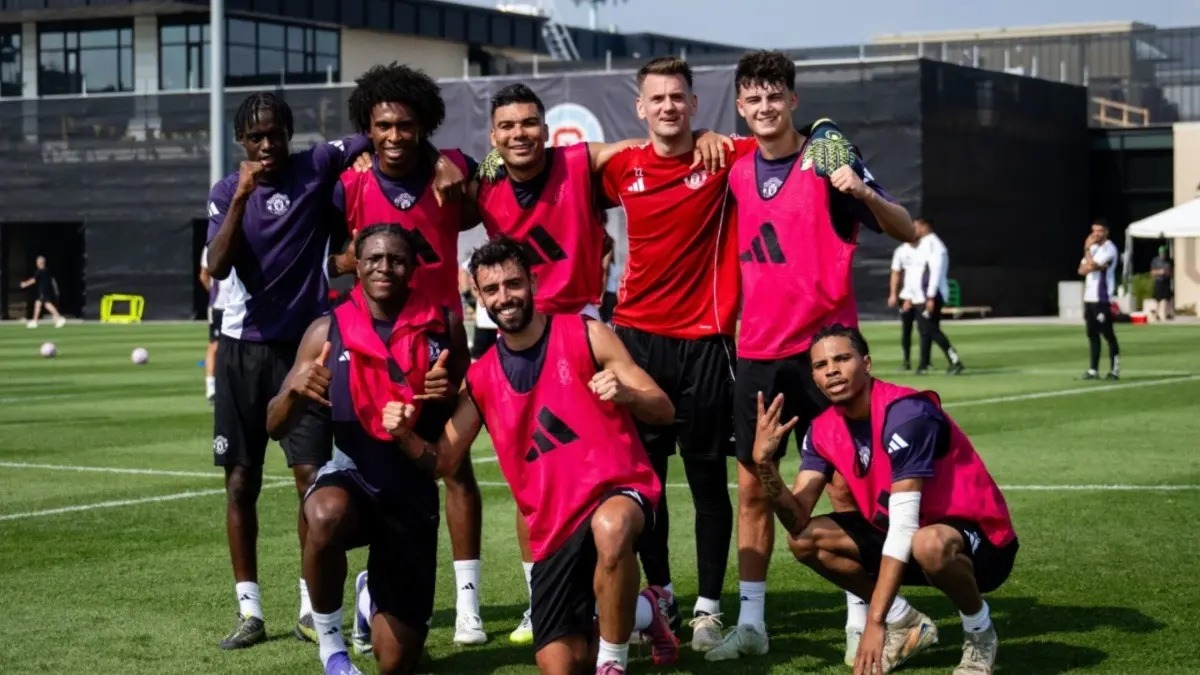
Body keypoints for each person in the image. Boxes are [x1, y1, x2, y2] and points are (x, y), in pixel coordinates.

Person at [353, 81, 728, 644]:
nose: (518, 134)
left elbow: (649, 147)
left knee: (621, 471)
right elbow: (418, 191)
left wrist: (703, 136)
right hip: (510, 337)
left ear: (547, 128)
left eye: (528, 123)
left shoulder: (579, 162)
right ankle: (547, 600)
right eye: (506, 127)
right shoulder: (483, 183)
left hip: (577, 335)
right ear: (493, 136)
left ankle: (667, 598)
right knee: (529, 470)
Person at [384, 237, 681, 674]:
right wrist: (404, 434)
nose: (504, 297)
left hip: (618, 493)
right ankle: (642, 611)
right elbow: (442, 462)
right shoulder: (481, 377)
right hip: (553, 531)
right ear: (479, 297)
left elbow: (665, 409)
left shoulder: (587, 333)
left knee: (610, 527)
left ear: (533, 282)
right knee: (560, 664)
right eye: (492, 290)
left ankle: (613, 663)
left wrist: (628, 394)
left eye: (513, 284)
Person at [708, 50, 917, 663]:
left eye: (775, 96)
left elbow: (905, 227)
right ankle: (751, 623)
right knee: (754, 485)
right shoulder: (737, 165)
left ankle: (861, 616)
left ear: (793, 101)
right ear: (741, 106)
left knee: (846, 486)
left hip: (826, 352)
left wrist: (861, 191)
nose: (764, 107)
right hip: (758, 353)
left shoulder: (829, 158)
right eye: (752, 98)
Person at [204, 91, 380, 649]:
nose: (266, 145)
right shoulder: (227, 192)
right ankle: (250, 611)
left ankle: (312, 603)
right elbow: (216, 264)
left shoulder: (317, 163)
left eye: (275, 134)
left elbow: (379, 132)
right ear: (241, 142)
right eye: (255, 137)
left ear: (289, 133)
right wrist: (240, 200)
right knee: (240, 482)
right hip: (242, 349)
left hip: (305, 349)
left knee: (311, 478)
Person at [750, 324, 1017, 675]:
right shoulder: (822, 429)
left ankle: (980, 632)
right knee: (805, 541)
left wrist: (873, 622)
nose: (831, 369)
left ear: (867, 364)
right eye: (820, 365)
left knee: (928, 542)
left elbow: (906, 524)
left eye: (842, 358)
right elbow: (797, 518)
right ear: (814, 377)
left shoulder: (907, 413)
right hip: (906, 539)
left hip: (980, 544)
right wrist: (764, 464)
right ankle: (904, 621)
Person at [328, 62, 487, 649]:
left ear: (424, 127)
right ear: (369, 128)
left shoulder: (450, 173)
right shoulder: (350, 182)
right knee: (375, 467)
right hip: (373, 346)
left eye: (406, 125)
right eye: (384, 126)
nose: (395, 136)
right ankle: (363, 595)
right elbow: (326, 261)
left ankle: (467, 603)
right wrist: (351, 262)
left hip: (442, 340)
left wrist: (459, 162)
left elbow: (491, 164)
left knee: (457, 468)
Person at [266, 224, 470, 675]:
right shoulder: (326, 329)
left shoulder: (445, 325)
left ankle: (368, 597)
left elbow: (467, 405)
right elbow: (274, 425)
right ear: (356, 265)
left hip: (412, 489)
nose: (384, 267)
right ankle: (332, 649)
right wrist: (293, 392)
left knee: (396, 663)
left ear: (412, 267)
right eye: (374, 258)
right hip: (354, 476)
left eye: (396, 259)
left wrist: (448, 391)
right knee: (323, 513)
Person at [600, 55, 751, 651]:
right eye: (656, 98)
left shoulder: (723, 156)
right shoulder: (622, 166)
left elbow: (793, 135)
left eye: (678, 97)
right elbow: (540, 164)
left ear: (693, 105)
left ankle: (710, 607)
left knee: (708, 479)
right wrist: (482, 159)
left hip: (706, 344)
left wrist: (827, 140)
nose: (667, 106)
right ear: (641, 108)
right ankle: (659, 593)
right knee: (647, 484)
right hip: (636, 342)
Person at [913, 218, 964, 375]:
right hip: (923, 295)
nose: (914, 229)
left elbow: (934, 273)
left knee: (932, 329)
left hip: (932, 294)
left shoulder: (935, 246)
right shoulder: (923, 245)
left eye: (917, 227)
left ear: (925, 227)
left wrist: (930, 296)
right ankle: (924, 363)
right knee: (924, 330)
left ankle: (955, 360)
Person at [1078, 219, 1120, 380]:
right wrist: (1090, 261)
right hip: (1089, 297)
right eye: (1094, 230)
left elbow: (1093, 265)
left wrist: (1088, 250)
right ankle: (1093, 370)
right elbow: (1082, 270)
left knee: (1107, 333)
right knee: (1091, 333)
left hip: (1101, 297)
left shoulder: (1109, 248)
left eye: (1100, 230)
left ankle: (1114, 370)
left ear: (1106, 232)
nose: (1096, 234)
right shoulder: (1094, 248)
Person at [200, 246, 235, 402]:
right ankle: (211, 387)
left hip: (239, 305)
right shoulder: (211, 245)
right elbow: (204, 275)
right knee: (215, 345)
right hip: (219, 306)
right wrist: (214, 295)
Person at [888, 240, 923, 371]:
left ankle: (925, 362)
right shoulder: (901, 251)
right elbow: (896, 273)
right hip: (906, 296)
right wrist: (893, 294)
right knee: (906, 331)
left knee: (925, 331)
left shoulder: (926, 249)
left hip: (922, 297)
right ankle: (906, 361)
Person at [20, 256, 66, 328]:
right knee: (38, 304)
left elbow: (34, 280)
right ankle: (35, 321)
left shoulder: (40, 271)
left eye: (37, 262)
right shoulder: (46, 271)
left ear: (40, 262)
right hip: (44, 290)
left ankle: (59, 317)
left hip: (43, 291)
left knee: (47, 305)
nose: (36, 263)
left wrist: (25, 284)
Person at [1150, 244, 1173, 322]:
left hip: (1166, 281)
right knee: (1157, 299)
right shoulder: (1155, 261)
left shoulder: (1169, 261)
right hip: (1158, 281)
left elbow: (1171, 272)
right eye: (1162, 253)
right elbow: (1152, 272)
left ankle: (1168, 314)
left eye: (1164, 253)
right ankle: (1156, 314)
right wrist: (1160, 272)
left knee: (1168, 298)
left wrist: (1167, 273)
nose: (1163, 254)